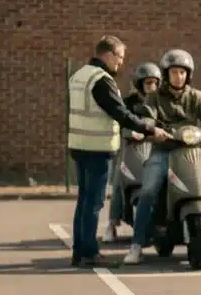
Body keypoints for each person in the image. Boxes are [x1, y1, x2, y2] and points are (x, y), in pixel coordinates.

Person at [121, 48, 201, 265]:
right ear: (166, 74)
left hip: (194, 150)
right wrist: (149, 126)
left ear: (189, 74)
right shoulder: (154, 97)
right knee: (148, 190)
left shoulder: (196, 96)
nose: (179, 76)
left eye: (183, 72)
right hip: (164, 150)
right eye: (174, 72)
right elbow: (149, 115)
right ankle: (136, 245)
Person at [66, 36, 170, 268]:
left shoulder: (79, 75)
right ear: (109, 54)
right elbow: (120, 112)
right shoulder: (101, 80)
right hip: (97, 149)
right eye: (120, 57)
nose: (121, 63)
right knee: (93, 203)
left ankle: (79, 252)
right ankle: (90, 254)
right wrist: (149, 128)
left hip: (79, 145)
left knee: (83, 201)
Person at [103, 61, 162, 243]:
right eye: (147, 83)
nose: (151, 86)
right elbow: (120, 122)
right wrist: (130, 132)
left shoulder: (161, 102)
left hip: (155, 147)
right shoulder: (128, 103)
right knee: (121, 178)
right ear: (139, 84)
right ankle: (112, 224)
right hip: (131, 148)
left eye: (154, 82)